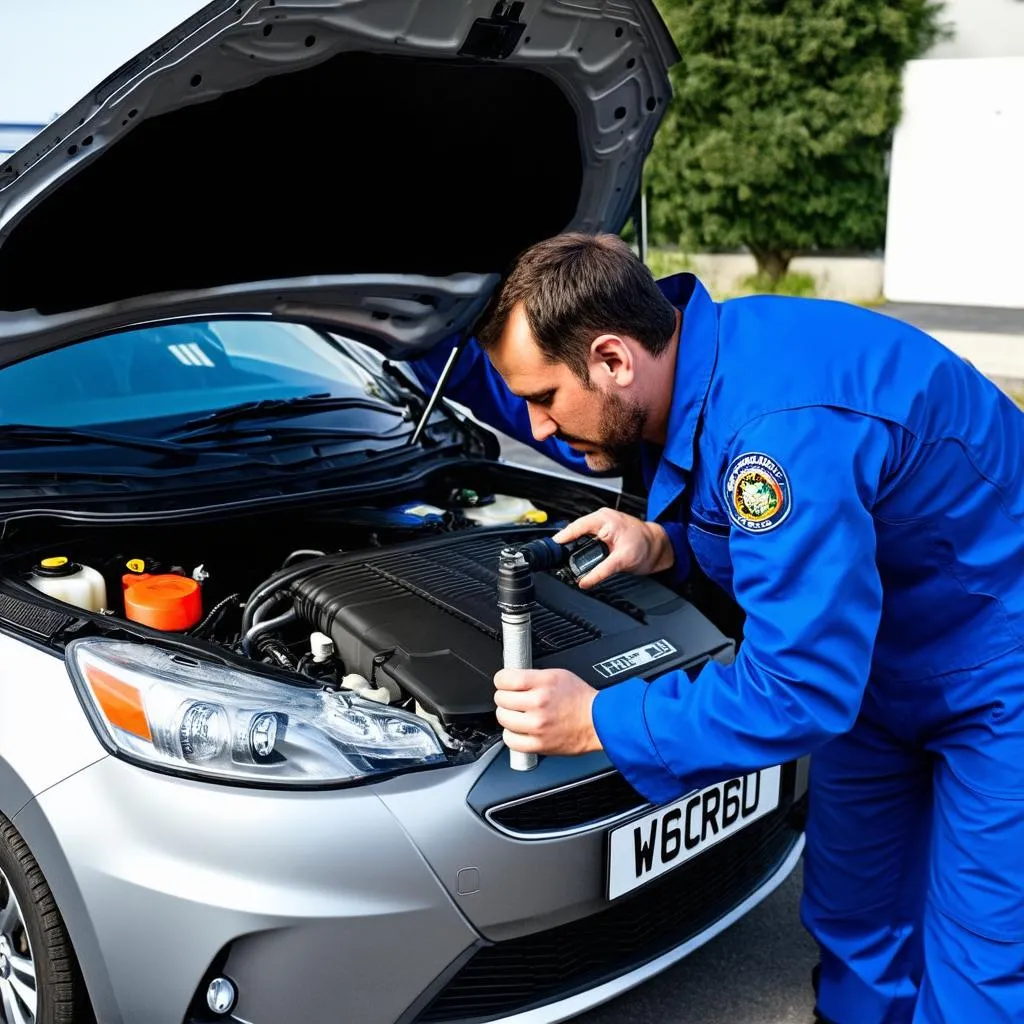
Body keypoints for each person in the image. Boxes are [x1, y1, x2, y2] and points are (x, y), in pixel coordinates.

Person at [408, 232, 1024, 1024]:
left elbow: (796, 688)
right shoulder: (709, 362)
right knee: (857, 917)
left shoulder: (775, 433)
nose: (537, 429)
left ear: (614, 359)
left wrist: (597, 718)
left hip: (997, 667)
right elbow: (809, 546)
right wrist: (669, 544)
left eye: (546, 398)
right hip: (875, 660)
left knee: (980, 961)